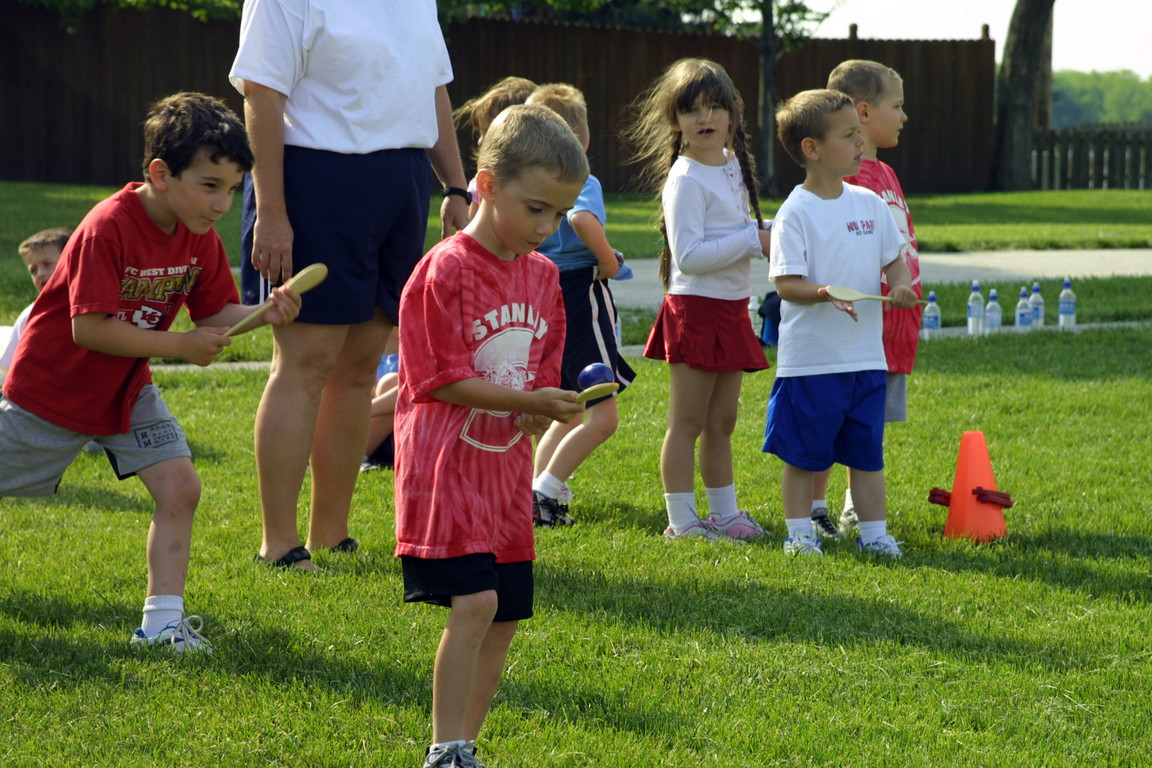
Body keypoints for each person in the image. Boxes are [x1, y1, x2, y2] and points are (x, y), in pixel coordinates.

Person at [0, 92, 301, 651]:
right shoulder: (107, 226)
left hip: (126, 391)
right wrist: (179, 345)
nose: (222, 204)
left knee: (181, 487)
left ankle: (161, 626)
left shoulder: (198, 234)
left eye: (233, 189)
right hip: (51, 394)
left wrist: (264, 313)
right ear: (161, 174)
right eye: (210, 186)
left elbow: (214, 313)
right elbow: (89, 329)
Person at [229, 0, 472, 571]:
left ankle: (330, 534)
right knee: (307, 362)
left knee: (361, 367)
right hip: (315, 179)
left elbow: (432, 89)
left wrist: (456, 187)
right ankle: (278, 543)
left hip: (401, 181)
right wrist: (272, 211)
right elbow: (261, 94)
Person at [394, 104, 588, 768]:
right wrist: (527, 400)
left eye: (559, 214)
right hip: (446, 469)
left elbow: (541, 370)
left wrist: (543, 410)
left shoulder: (543, 276)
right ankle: (444, 749)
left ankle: (465, 748)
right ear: (485, 186)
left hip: (505, 477)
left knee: (503, 615)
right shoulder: (444, 270)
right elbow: (441, 379)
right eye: (535, 209)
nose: (547, 228)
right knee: (475, 602)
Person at [622, 58, 771, 541]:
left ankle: (724, 514)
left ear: (734, 112)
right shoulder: (685, 178)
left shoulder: (731, 164)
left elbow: (741, 228)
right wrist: (752, 240)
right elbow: (689, 256)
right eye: (691, 110)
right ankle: (683, 521)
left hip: (732, 308)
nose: (705, 118)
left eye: (714, 107)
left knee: (722, 422)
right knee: (686, 423)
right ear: (675, 120)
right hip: (696, 310)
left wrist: (778, 230)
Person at [764, 88, 917, 558]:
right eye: (848, 135)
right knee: (803, 456)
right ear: (812, 148)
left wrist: (900, 285)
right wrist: (823, 292)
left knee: (867, 455)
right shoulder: (795, 212)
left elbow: (894, 261)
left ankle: (875, 536)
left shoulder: (869, 203)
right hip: (812, 364)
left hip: (866, 360)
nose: (860, 142)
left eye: (858, 132)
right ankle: (799, 535)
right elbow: (786, 284)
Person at [806, 59, 923, 539]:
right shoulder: (847, 182)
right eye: (897, 106)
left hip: (893, 328)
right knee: (831, 419)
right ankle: (815, 508)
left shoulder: (886, 174)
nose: (904, 116)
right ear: (863, 112)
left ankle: (856, 505)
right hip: (856, 328)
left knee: (868, 424)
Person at [524, 82, 636, 527]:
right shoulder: (580, 179)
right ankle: (544, 491)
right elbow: (581, 216)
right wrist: (607, 261)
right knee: (602, 416)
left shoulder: (531, 184)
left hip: (543, 292)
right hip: (580, 295)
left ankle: (537, 495)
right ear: (581, 138)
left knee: (568, 404)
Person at [454, 75, 538, 218]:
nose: (480, 142)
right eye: (481, 133)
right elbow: (471, 229)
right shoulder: (482, 184)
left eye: (488, 132)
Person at [0, 227, 71, 386]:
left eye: (47, 264)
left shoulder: (89, 305)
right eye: (33, 270)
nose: (40, 273)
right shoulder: (32, 314)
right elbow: (9, 367)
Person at [360, 328, 400, 472]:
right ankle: (355, 453)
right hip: (372, 429)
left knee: (392, 383)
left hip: (398, 434)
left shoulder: (418, 349)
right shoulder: (367, 348)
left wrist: (362, 412)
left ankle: (351, 454)